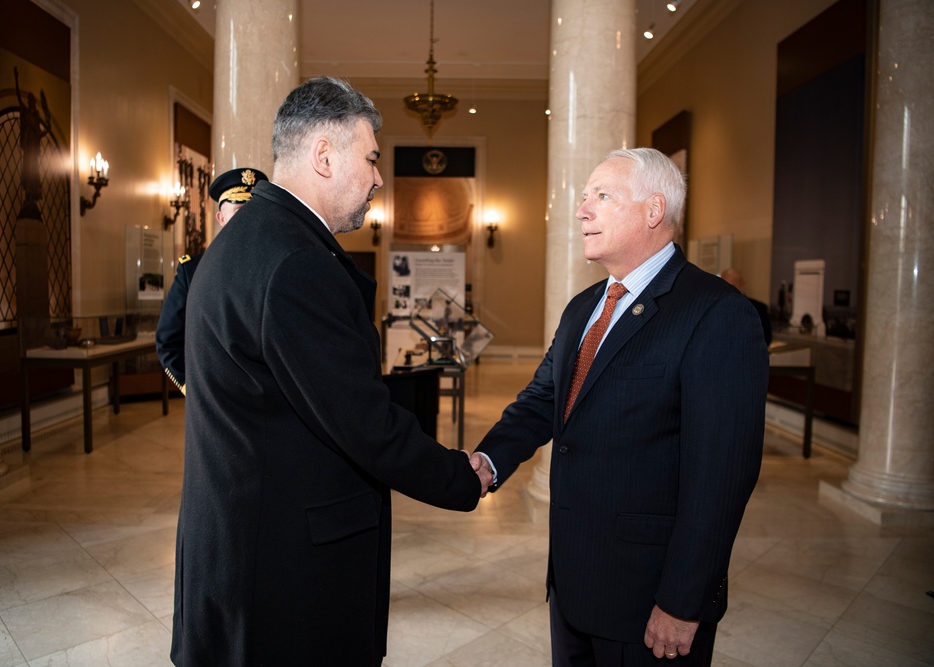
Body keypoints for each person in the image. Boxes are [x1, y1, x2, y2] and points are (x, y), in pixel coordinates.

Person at [170, 77, 492, 667]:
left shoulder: (245, 239)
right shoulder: (297, 263)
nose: (376, 178)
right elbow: (363, 423)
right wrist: (461, 477)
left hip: (237, 552)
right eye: (370, 158)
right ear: (323, 155)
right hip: (284, 578)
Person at [472, 148, 768, 665]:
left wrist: (683, 600)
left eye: (601, 197)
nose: (582, 210)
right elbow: (544, 400)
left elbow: (721, 477)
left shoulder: (716, 313)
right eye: (583, 198)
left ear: (654, 211)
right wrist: (488, 461)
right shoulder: (584, 306)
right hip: (572, 586)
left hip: (648, 600)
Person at [155, 167, 267, 394]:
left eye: (252, 211)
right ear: (221, 218)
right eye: (238, 210)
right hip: (214, 401)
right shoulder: (192, 270)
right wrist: (193, 388)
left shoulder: (271, 266)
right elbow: (168, 340)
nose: (246, 220)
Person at [721, 266, 773, 344]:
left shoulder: (758, 309)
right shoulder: (717, 309)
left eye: (733, 286)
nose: (728, 290)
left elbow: (765, 339)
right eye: (725, 286)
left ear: (742, 285)